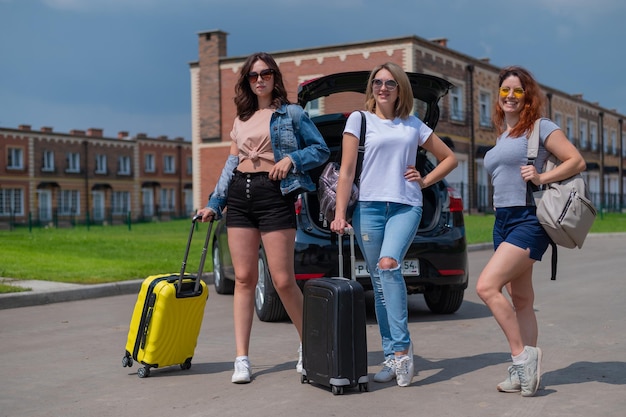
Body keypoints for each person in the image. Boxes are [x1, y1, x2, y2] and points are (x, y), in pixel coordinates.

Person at [196, 52, 329, 384]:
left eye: (266, 74)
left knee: (283, 281)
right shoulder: (240, 119)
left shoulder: (292, 114)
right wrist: (214, 202)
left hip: (274, 195)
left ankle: (308, 347)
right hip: (240, 196)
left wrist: (293, 160)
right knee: (243, 279)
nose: (260, 79)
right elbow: (230, 165)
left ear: (274, 77)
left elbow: (321, 150)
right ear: (246, 81)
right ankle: (241, 358)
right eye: (253, 75)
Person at [330, 62, 458, 387]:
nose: (383, 87)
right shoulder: (359, 121)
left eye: (390, 83)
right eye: (377, 82)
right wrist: (340, 213)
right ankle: (390, 353)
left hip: (406, 205)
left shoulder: (413, 124)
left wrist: (425, 179)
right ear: (371, 87)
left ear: (400, 88)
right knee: (380, 284)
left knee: (389, 266)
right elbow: (346, 171)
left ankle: (402, 350)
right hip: (368, 210)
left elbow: (450, 159)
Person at [477, 66, 586, 397]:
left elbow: (576, 161)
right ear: (498, 96)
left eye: (517, 90)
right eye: (505, 91)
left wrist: (541, 178)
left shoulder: (540, 128)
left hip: (529, 219)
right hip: (503, 220)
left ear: (528, 96)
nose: (510, 96)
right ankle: (525, 373)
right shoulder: (501, 135)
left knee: (486, 287)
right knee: (521, 298)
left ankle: (521, 357)